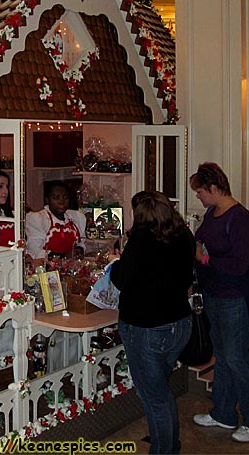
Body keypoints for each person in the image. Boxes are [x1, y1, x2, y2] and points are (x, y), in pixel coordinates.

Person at [109, 190, 194, 454]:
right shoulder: (183, 235)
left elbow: (122, 279)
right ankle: (169, 441)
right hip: (179, 323)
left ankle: (163, 448)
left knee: (153, 395)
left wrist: (116, 262)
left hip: (147, 327)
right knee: (160, 390)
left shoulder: (143, 239)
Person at [189, 163, 249, 443]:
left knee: (237, 359)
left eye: (200, 191)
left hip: (234, 297)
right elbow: (200, 238)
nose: (198, 196)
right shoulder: (213, 212)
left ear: (213, 188)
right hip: (215, 293)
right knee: (221, 356)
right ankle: (223, 411)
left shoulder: (240, 217)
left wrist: (205, 259)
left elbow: (238, 263)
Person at [25, 180, 86, 269]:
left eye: (65, 197)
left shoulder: (76, 217)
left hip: (71, 268)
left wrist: (79, 250)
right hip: (47, 269)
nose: (62, 202)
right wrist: (64, 256)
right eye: (56, 198)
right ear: (47, 200)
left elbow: (82, 243)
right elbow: (35, 250)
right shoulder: (38, 219)